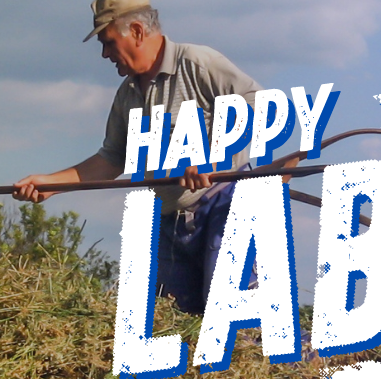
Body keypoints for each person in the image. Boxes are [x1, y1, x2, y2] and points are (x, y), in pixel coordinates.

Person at [13, 0, 263, 314]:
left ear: (136, 31)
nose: (105, 54)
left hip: (224, 207)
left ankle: (309, 360)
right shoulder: (127, 95)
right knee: (173, 324)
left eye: (108, 43)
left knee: (236, 319)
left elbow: (259, 105)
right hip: (170, 222)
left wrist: (213, 160)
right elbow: (112, 160)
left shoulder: (199, 64)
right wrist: (51, 183)